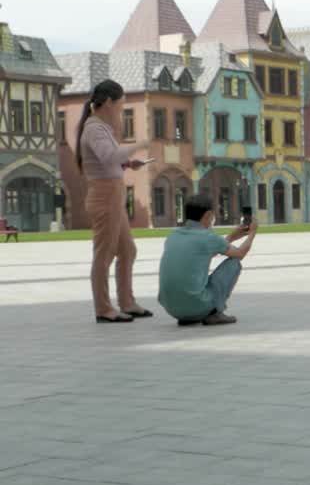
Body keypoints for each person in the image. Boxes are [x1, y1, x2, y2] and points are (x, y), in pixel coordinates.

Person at [75, 79, 149, 323]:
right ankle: (104, 309)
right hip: (104, 196)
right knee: (104, 254)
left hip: (112, 195)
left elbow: (108, 160)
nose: (121, 110)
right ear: (108, 102)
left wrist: (128, 164)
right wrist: (140, 145)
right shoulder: (94, 127)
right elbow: (109, 156)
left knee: (127, 250)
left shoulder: (100, 127)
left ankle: (127, 302)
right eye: (120, 105)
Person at [158, 194, 258, 326]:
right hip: (196, 306)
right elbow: (240, 254)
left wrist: (231, 237)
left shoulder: (173, 235)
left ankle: (189, 316)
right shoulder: (208, 236)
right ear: (208, 215)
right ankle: (214, 313)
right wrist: (252, 234)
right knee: (234, 263)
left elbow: (201, 254)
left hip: (171, 308)